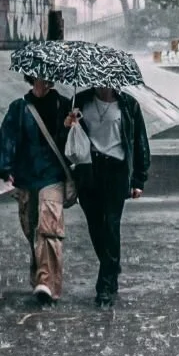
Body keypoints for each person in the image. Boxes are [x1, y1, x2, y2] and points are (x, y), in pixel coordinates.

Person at [65, 83, 150, 308]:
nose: (104, 84)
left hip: (116, 170)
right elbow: (65, 136)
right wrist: (69, 123)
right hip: (89, 169)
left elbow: (140, 142)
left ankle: (104, 285)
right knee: (95, 226)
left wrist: (139, 179)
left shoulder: (129, 105)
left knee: (111, 224)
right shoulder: (80, 101)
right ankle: (111, 265)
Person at [0, 77, 73, 305]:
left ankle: (47, 282)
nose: (45, 81)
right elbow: (7, 138)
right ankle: (40, 274)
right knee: (32, 228)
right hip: (27, 178)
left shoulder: (64, 106)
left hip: (53, 176)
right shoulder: (19, 108)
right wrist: (5, 168)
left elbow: (72, 146)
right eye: (40, 76)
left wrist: (69, 127)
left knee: (49, 227)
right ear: (32, 77)